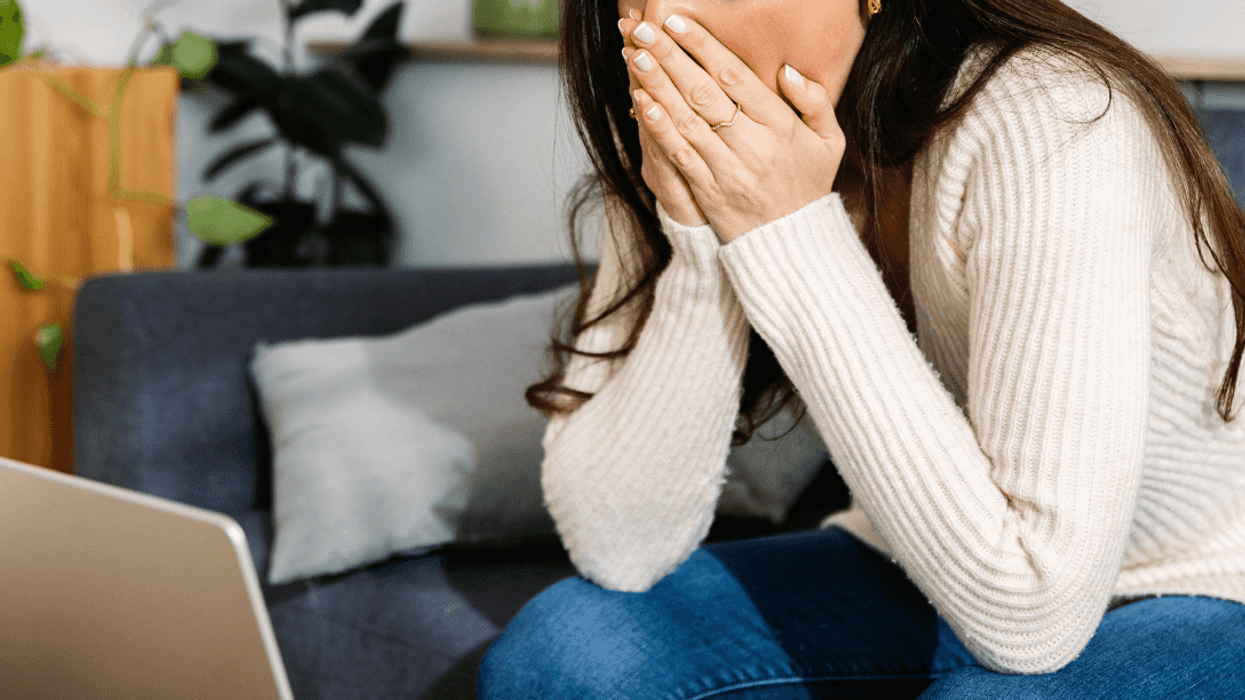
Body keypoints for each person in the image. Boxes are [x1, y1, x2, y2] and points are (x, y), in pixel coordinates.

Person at [477, 0, 1245, 696]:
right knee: (565, 652)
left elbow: (1033, 614)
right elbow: (618, 546)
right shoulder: (678, 122)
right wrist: (702, 238)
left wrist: (784, 225)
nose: (662, 25)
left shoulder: (1054, 115)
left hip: (1202, 579)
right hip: (944, 559)